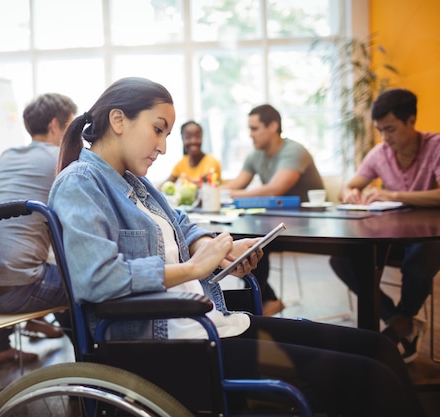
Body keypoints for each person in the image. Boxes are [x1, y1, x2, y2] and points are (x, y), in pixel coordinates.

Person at [47, 77, 424, 416]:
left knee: (379, 349)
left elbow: (181, 224)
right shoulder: (80, 183)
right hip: (170, 346)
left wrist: (217, 248)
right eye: (158, 130)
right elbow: (96, 279)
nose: (163, 147)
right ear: (118, 121)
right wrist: (194, 269)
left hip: (205, 327)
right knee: (371, 376)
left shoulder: (135, 184)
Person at [330, 88, 440, 363]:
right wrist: (350, 193)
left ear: (411, 120)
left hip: (429, 239)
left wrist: (393, 195)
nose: (385, 137)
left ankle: (399, 323)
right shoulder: (380, 152)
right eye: (380, 130)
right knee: (342, 260)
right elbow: (350, 185)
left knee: (420, 255)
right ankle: (401, 321)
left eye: (390, 129)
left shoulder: (435, 146)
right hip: (395, 237)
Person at [0, 93, 77, 365]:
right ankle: (88, 364)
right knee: (86, 281)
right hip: (15, 294)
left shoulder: (6, 156)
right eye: (72, 126)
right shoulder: (62, 157)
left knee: (14, 258)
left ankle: (0, 347)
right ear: (55, 125)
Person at [220, 104, 324, 316]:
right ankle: (265, 302)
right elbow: (236, 184)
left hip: (308, 225)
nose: (250, 135)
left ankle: (262, 304)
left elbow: (275, 189)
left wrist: (227, 195)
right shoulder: (255, 155)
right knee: (243, 240)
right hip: (274, 222)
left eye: (255, 128)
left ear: (273, 126)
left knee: (251, 241)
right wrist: (208, 192)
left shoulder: (294, 151)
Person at [161, 120, 221, 186]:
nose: (193, 141)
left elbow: (203, 184)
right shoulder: (181, 163)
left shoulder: (211, 161)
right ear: (182, 139)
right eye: (188, 137)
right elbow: (165, 184)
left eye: (198, 136)